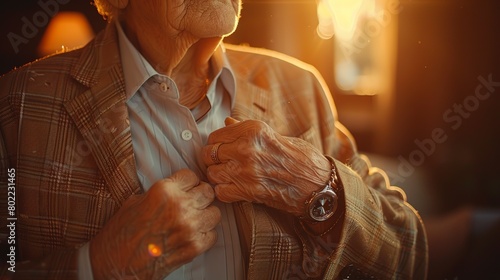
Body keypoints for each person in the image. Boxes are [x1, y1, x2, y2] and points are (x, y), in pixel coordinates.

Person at [0, 0, 427, 279]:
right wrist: (100, 264)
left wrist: (319, 186)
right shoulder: (17, 106)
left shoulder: (298, 87)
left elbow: (408, 253)